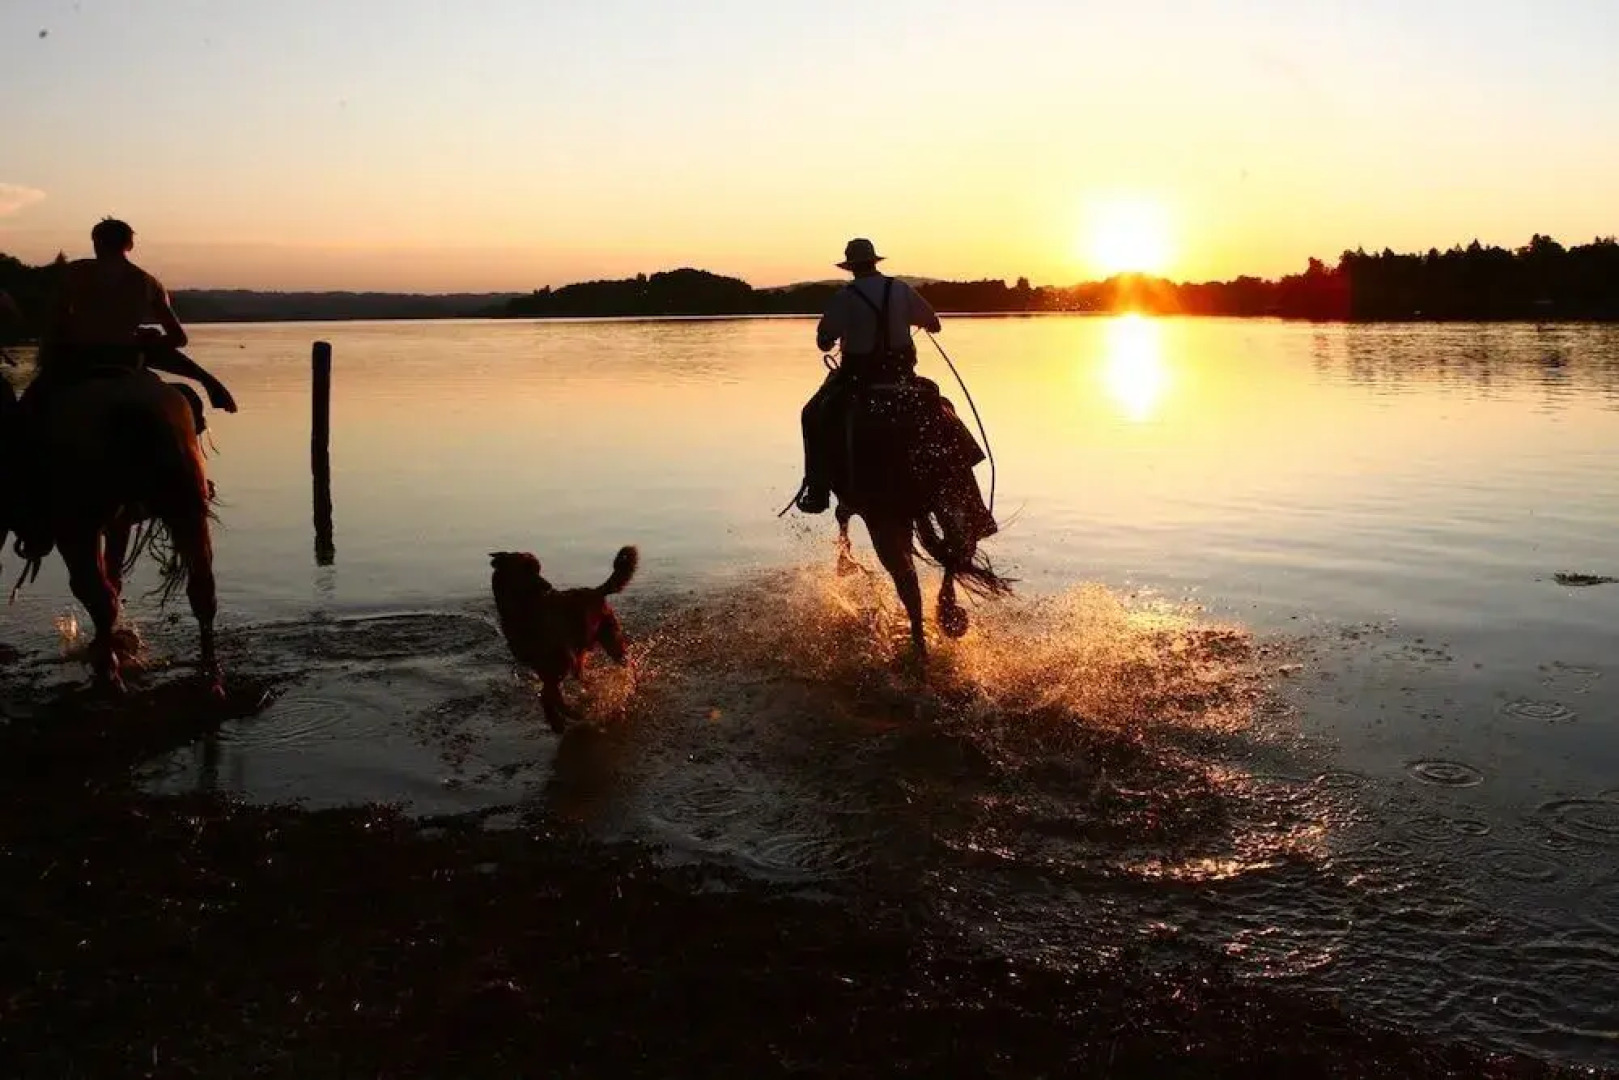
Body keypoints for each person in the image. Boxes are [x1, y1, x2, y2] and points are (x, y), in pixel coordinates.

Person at [796, 237, 941, 514]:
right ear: (874, 262)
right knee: (939, 406)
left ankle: (817, 489)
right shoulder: (899, 288)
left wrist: (833, 339)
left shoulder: (845, 296)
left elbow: (824, 341)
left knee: (812, 415)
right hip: (901, 375)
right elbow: (934, 324)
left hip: (857, 378)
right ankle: (961, 488)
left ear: (850, 267)